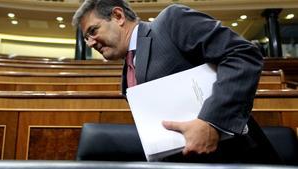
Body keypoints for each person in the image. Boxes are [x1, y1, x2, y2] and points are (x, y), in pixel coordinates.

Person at [72, 0, 282, 164]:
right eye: (86, 37)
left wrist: (212, 122)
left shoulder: (171, 20)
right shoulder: (127, 70)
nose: (90, 42)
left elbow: (242, 54)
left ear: (118, 16)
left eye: (93, 31)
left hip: (235, 159)